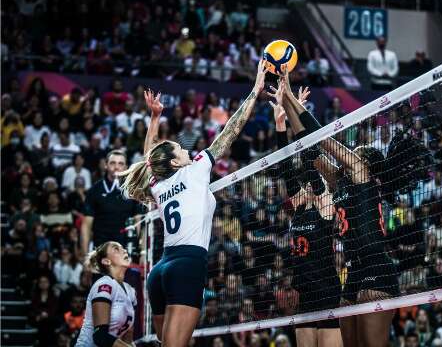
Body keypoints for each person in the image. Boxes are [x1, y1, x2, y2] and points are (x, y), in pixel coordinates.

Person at [118, 62, 266, 347]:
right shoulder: (195, 168)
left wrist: (155, 118)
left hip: (161, 269)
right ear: (175, 162)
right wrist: (255, 90)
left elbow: (150, 157)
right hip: (187, 264)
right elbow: (230, 131)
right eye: (180, 149)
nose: (186, 149)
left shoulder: (158, 184)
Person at [269, 69, 398, 347]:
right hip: (352, 271)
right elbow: (309, 149)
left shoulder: (363, 177)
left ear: (366, 166)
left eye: (357, 152)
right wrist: (288, 102)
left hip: (377, 266)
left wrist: (292, 97)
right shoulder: (339, 182)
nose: (351, 155)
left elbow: (321, 138)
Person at [270, 86, 342, 346]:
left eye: (313, 184)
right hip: (304, 293)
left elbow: (309, 161)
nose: (309, 186)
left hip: (326, 290)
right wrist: (280, 125)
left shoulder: (325, 205)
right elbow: (287, 169)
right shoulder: (300, 208)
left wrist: (294, 113)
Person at [80, 150, 145, 257]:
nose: (116, 167)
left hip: (126, 252)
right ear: (105, 165)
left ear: (126, 167)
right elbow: (86, 225)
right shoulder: (94, 190)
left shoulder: (133, 190)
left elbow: (140, 223)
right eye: (112, 163)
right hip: (101, 252)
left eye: (120, 164)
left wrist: (143, 252)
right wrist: (85, 257)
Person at [75, 241, 136, 346]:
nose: (124, 251)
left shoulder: (130, 291)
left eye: (123, 248)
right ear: (106, 261)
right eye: (116, 249)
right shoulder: (104, 285)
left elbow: (127, 335)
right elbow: (100, 336)